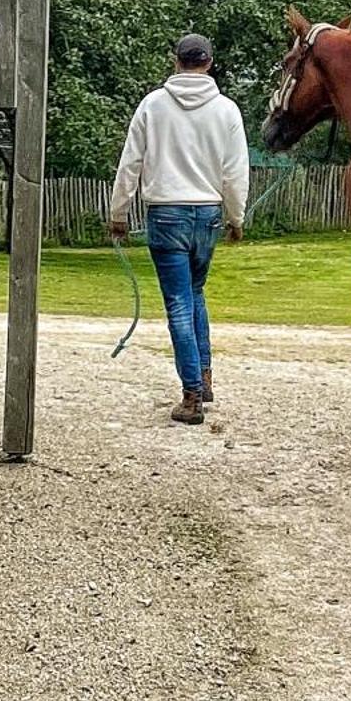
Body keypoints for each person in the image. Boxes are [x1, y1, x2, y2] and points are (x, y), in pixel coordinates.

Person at [108, 33, 250, 424]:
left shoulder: (153, 105)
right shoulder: (227, 111)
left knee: (178, 303)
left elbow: (130, 163)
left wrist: (118, 212)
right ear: (209, 62)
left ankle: (191, 397)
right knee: (195, 293)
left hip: (165, 213)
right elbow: (235, 172)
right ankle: (204, 377)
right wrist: (236, 218)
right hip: (207, 214)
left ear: (176, 61)